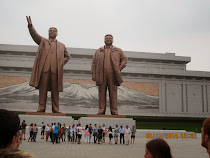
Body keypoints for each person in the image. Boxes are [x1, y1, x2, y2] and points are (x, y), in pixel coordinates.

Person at [26, 16, 70, 113]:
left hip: (55, 71)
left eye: (54, 31)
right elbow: (35, 35)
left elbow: (67, 56)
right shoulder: (43, 41)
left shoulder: (61, 45)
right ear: (48, 32)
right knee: (43, 89)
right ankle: (42, 107)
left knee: (55, 91)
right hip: (44, 70)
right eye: (50, 30)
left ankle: (55, 108)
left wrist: (60, 63)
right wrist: (30, 27)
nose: (52, 32)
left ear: (57, 33)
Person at [91, 34, 127, 115]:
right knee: (101, 93)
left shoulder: (118, 50)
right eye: (106, 38)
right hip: (101, 75)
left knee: (113, 93)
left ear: (112, 40)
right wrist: (93, 74)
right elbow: (94, 63)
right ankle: (101, 110)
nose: (108, 39)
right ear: (104, 40)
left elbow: (124, 59)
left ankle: (114, 110)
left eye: (110, 38)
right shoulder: (98, 51)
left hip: (113, 75)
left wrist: (119, 68)